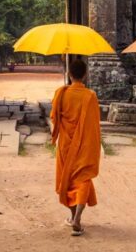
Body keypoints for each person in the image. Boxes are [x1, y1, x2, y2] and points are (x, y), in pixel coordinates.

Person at [50, 57, 102, 237]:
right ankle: (78, 217)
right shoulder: (90, 96)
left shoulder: (61, 93)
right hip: (86, 144)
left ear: (69, 74)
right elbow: (95, 123)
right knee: (83, 178)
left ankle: (73, 217)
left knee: (68, 178)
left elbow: (54, 118)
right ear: (86, 75)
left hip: (65, 144)